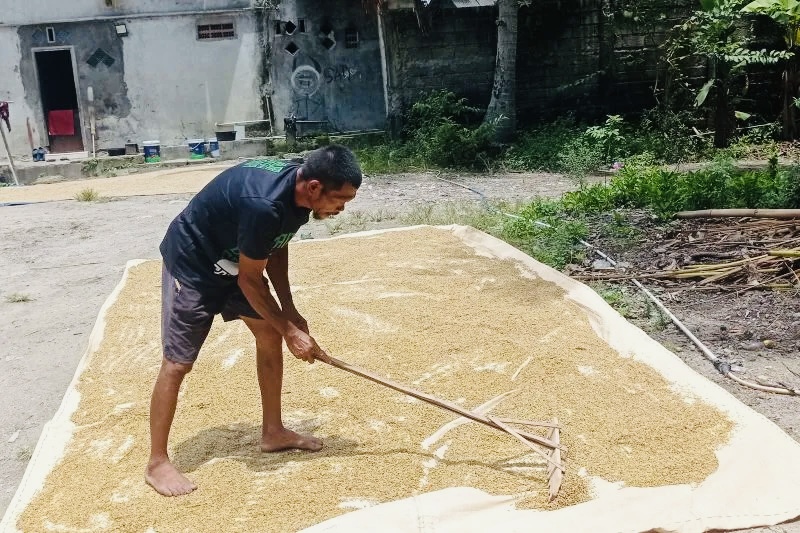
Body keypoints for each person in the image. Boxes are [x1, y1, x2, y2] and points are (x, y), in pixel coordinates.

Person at [145, 144, 361, 496]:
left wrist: (289, 312)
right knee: (178, 363)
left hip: (237, 260)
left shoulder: (299, 189)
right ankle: (156, 463)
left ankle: (273, 432)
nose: (341, 209)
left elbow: (275, 243)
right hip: (194, 261)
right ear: (314, 187)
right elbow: (250, 278)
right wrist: (290, 332)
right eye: (340, 200)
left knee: (268, 332)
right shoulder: (265, 204)